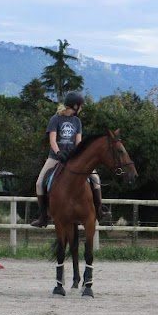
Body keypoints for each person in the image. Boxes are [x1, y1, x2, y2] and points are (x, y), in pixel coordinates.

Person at [31, 91, 104, 227]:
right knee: (39, 183)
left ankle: (100, 211)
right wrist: (58, 153)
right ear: (74, 106)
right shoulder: (55, 119)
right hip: (56, 157)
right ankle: (43, 217)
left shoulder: (77, 121)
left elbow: (78, 142)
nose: (81, 108)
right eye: (80, 105)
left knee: (95, 178)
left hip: (73, 158)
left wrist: (79, 156)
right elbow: (52, 140)